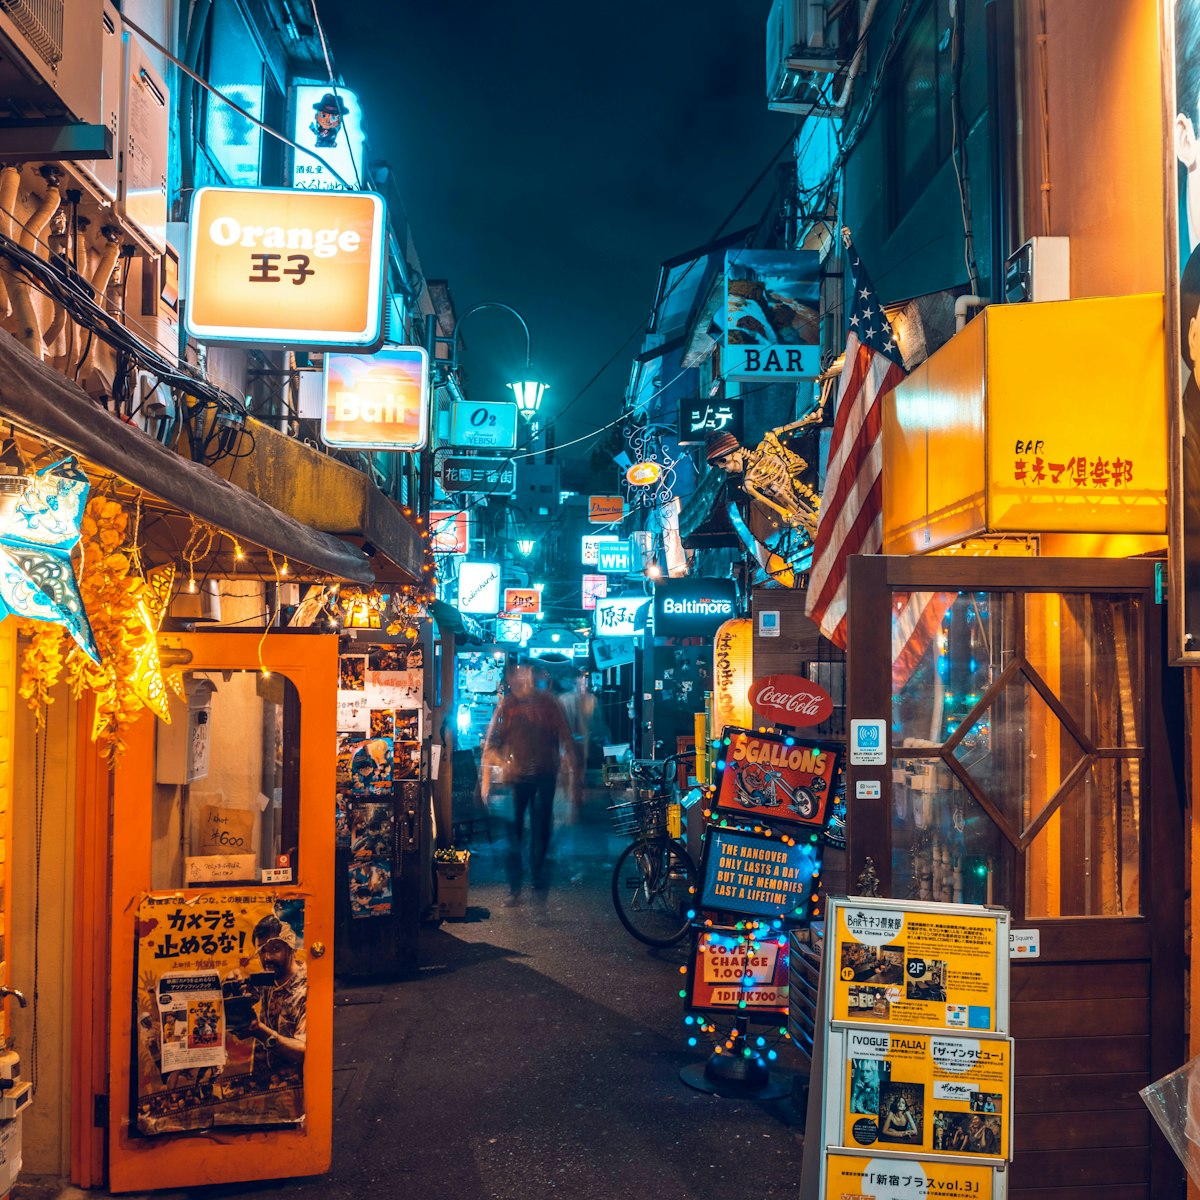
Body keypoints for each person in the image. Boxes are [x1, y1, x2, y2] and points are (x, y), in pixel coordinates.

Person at [482, 660, 581, 903]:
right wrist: (497, 772)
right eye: (518, 675)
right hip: (515, 779)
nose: (522, 679)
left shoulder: (549, 703)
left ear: (534, 676)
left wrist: (574, 782)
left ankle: (537, 881)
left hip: (546, 775)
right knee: (513, 832)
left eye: (526, 674)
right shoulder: (507, 706)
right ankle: (515, 886)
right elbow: (491, 745)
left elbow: (567, 739)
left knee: (541, 829)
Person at [243, 914, 306, 1069]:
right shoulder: (268, 979)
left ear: (291, 947)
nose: (268, 957)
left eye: (276, 949)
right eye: (262, 951)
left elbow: (306, 1051)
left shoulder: (307, 988)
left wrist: (259, 1031)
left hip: (298, 1086)